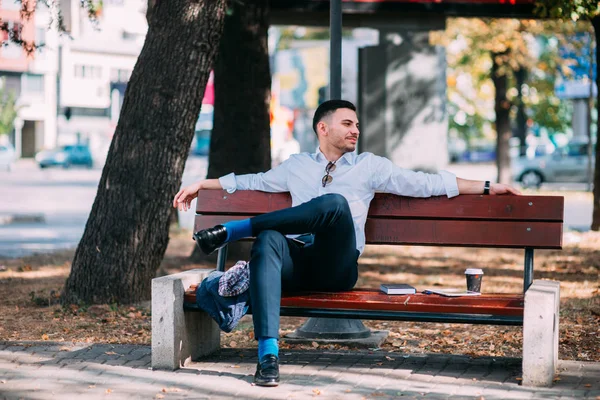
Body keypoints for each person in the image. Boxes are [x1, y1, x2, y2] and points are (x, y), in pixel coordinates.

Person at [173, 99, 520, 387]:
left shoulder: (369, 166)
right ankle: (268, 357)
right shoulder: (296, 166)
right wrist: (203, 184)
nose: (356, 130)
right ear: (323, 129)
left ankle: (232, 231)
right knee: (267, 240)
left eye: (356, 125)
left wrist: (489, 186)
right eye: (348, 123)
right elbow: (254, 181)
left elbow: (424, 183)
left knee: (335, 204)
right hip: (297, 264)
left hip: (337, 265)